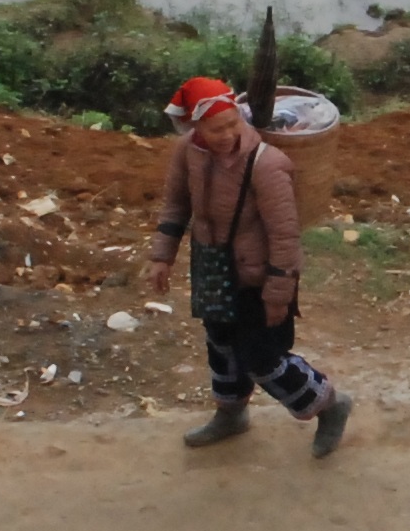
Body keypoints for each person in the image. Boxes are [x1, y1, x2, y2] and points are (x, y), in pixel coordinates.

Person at [143, 73, 352, 457]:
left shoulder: (266, 164)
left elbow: (285, 235)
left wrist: (278, 293)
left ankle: (329, 405)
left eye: (231, 124)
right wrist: (162, 256)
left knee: (262, 358)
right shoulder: (187, 151)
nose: (225, 134)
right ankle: (231, 413)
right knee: (221, 342)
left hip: (260, 276)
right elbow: (176, 204)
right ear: (194, 126)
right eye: (215, 128)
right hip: (214, 267)